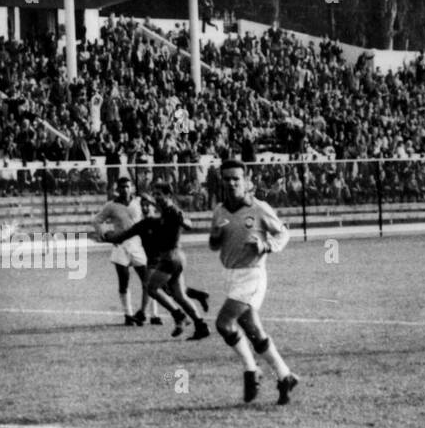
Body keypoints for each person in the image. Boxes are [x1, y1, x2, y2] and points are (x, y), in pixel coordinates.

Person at [209, 159, 298, 404]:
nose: (232, 183)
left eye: (236, 178)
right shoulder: (219, 211)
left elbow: (283, 232)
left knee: (223, 323)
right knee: (253, 332)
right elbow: (214, 245)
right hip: (229, 275)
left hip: (252, 274)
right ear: (221, 181)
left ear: (246, 180)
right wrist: (215, 236)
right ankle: (285, 375)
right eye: (227, 179)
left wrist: (266, 245)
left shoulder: (259, 208)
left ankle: (251, 371)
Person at [104, 185, 211, 340]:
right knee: (180, 295)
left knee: (151, 288)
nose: (156, 197)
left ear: (168, 195)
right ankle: (201, 326)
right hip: (177, 257)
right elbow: (123, 236)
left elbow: (185, 221)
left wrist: (185, 221)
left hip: (171, 258)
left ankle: (179, 316)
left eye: (159, 194)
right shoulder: (160, 215)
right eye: (155, 194)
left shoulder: (171, 211)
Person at [92, 176, 158, 326]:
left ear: (132, 188)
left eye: (127, 186)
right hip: (121, 245)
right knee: (124, 281)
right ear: (117, 189)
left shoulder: (139, 201)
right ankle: (128, 314)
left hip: (138, 244)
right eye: (121, 187)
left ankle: (154, 314)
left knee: (147, 281)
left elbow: (151, 215)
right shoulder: (111, 205)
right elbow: (96, 220)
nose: (125, 190)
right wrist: (105, 234)